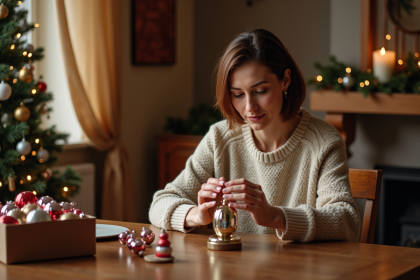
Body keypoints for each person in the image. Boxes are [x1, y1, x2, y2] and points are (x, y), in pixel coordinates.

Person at [149, 29, 360, 242]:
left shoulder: (324, 141)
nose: (249, 107)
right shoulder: (220, 138)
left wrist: (275, 216)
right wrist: (197, 215)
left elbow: (346, 220)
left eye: (260, 91)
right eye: (238, 94)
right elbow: (160, 203)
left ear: (285, 80)